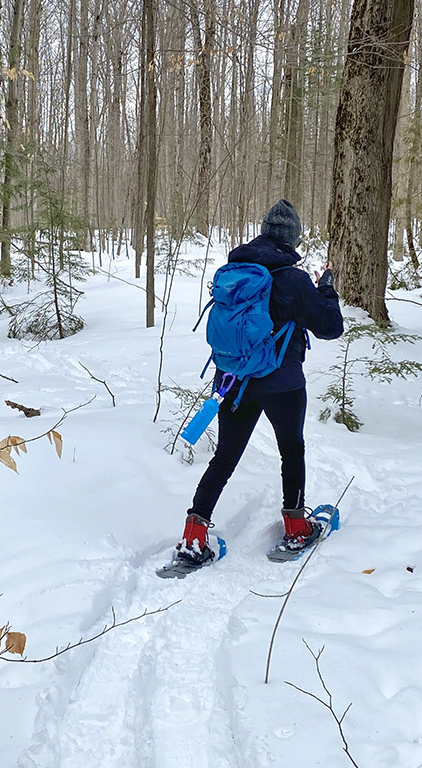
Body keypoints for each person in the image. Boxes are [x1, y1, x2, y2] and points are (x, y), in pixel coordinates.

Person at [172, 199, 343, 568]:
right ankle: (297, 527)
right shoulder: (294, 279)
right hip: (283, 384)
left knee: (224, 458)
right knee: (291, 451)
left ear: (264, 232)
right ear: (292, 240)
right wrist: (327, 288)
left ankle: (194, 536)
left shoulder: (233, 271)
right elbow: (331, 327)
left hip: (233, 382)